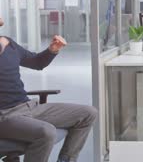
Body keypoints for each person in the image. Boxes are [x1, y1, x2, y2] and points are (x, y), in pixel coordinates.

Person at [0, 17, 97, 162]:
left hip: (29, 107)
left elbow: (37, 62)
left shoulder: (9, 44)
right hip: (6, 116)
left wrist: (52, 50)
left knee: (88, 114)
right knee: (47, 132)